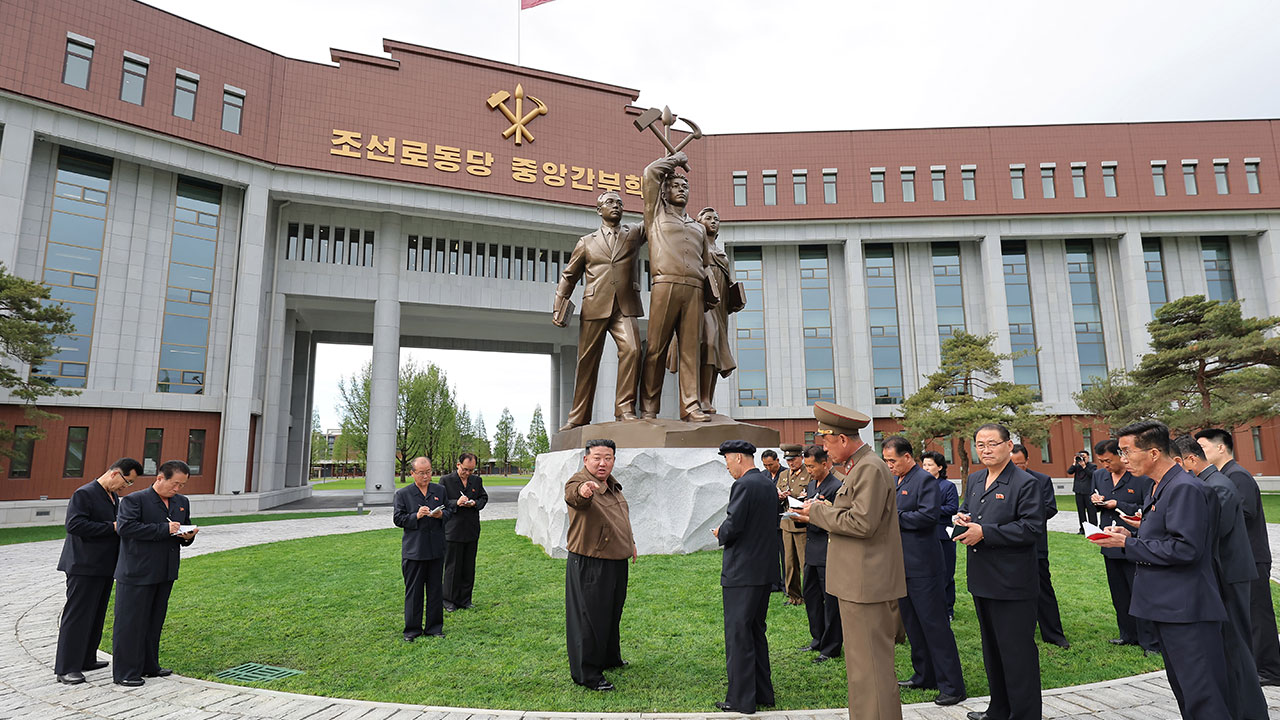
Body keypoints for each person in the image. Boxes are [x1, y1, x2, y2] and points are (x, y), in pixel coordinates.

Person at [1092, 421, 1229, 719]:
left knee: (1203, 695)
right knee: (1187, 692)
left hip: (1187, 609)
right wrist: (1132, 537)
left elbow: (1186, 549)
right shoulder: (1161, 486)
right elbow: (1166, 538)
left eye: (1127, 451)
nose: (1123, 459)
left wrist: (1127, 547)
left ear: (1153, 452)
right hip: (1169, 607)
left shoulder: (1183, 487)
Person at [798, 401, 905, 720]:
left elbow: (862, 523)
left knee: (872, 671)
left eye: (827, 442)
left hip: (867, 585)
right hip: (858, 583)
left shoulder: (869, 468)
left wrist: (816, 512)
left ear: (842, 440)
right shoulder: (861, 468)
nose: (825, 451)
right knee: (862, 670)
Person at [1172, 435, 1268, 720]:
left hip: (1231, 574)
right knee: (1229, 647)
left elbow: (1213, 534)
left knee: (1237, 647)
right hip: (1222, 573)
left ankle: (1252, 712)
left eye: (1178, 462)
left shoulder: (1219, 486)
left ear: (1190, 459)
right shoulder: (1209, 483)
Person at [954, 423, 1043, 720]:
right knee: (992, 651)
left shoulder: (1025, 482)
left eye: (992, 443)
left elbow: (1031, 528)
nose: (986, 449)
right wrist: (963, 519)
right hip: (982, 578)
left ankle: (1024, 714)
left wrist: (985, 532)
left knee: (1017, 654)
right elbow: (972, 512)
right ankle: (998, 709)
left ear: (1009, 445)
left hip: (1012, 582)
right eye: (980, 444)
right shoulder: (978, 479)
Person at [882, 436, 966, 706]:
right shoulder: (898, 480)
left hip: (924, 566)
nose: (889, 465)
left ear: (908, 457)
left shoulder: (924, 480)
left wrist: (893, 517)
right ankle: (924, 675)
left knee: (934, 626)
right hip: (902, 565)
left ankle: (952, 686)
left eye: (892, 460)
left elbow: (929, 517)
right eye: (886, 461)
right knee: (913, 624)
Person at [552, 190, 645, 430]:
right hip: (595, 305)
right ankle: (578, 416)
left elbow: (654, 216)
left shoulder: (633, 234)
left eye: (619, 203)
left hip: (624, 306)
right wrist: (558, 305)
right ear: (599, 210)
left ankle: (625, 409)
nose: (615, 206)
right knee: (587, 361)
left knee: (633, 351)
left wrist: (661, 180)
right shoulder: (587, 242)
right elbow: (569, 275)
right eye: (609, 202)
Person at [1196, 427, 1280, 685]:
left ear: (1220, 447)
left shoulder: (1237, 476)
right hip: (1239, 557)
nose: (1199, 453)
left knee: (1257, 615)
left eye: (1203, 448)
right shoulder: (1223, 476)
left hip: (1252, 557)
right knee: (1247, 614)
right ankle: (1257, 665)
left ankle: (1270, 670)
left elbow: (1243, 513)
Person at [639, 150, 716, 422]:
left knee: (690, 350)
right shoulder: (655, 215)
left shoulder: (698, 228)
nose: (681, 190)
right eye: (675, 186)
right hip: (665, 285)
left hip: (694, 289)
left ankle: (691, 406)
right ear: (664, 192)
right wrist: (676, 160)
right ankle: (649, 408)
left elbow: (706, 264)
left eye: (685, 187)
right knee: (656, 349)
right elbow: (650, 173)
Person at [54, 458, 142, 685]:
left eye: (131, 484)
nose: (127, 487)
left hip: (104, 566)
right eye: (127, 481)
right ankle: (66, 667)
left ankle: (86, 658)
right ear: (114, 474)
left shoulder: (113, 497)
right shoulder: (84, 494)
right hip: (83, 566)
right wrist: (112, 526)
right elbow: (74, 525)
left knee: (96, 614)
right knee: (78, 615)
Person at [111, 460, 198, 687]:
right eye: (175, 484)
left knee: (154, 621)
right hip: (137, 573)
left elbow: (183, 528)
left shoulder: (181, 502)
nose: (178, 489)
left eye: (182, 485)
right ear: (160, 478)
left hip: (165, 571)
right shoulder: (134, 500)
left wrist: (188, 536)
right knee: (131, 623)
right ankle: (125, 672)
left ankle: (150, 666)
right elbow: (126, 528)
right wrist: (163, 529)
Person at [564, 438, 637, 691]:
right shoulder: (579, 481)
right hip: (591, 562)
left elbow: (620, 519)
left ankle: (609, 658)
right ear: (586, 460)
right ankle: (588, 673)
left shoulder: (613, 485)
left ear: (614, 460)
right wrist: (584, 491)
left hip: (616, 560)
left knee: (611, 613)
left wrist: (631, 543)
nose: (602, 463)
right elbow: (575, 495)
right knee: (590, 618)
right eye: (597, 458)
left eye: (608, 458)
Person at [712, 440, 779, 714]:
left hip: (742, 573)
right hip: (764, 570)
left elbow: (735, 524)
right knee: (755, 632)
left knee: (739, 635)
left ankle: (740, 699)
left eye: (727, 461)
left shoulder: (743, 485)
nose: (727, 467)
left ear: (738, 458)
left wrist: (721, 532)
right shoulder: (767, 483)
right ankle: (763, 693)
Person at [1090, 439, 1158, 654]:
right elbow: (1100, 500)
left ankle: (1150, 642)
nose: (1105, 465)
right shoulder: (1099, 476)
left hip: (1134, 540)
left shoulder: (1140, 477)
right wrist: (1098, 500)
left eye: (1108, 460)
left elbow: (1146, 509)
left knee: (1141, 593)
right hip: (1109, 540)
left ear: (1120, 455)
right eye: (1101, 461)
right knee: (1119, 593)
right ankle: (1127, 634)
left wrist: (1117, 504)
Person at [1010, 444, 1069, 649]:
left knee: (1043, 589)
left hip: (1035, 544)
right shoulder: (1001, 480)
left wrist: (1028, 514)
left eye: (1020, 464)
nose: (1017, 468)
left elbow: (1051, 508)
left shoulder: (1041, 480)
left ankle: (1053, 634)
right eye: (1012, 464)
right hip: (1007, 544)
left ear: (1026, 461)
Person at [392, 456, 452, 641]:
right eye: (421, 473)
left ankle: (434, 628)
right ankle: (412, 630)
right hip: (414, 551)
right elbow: (398, 519)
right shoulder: (403, 494)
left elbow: (450, 511)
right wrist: (415, 516)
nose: (426, 476)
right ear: (412, 473)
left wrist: (441, 514)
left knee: (435, 591)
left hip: (436, 549)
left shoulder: (439, 490)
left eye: (428, 472)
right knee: (414, 592)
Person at [795, 444, 843, 663]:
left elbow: (837, 519)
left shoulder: (836, 486)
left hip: (829, 550)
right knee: (812, 596)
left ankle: (831, 646)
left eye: (812, 466)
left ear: (825, 463)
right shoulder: (813, 484)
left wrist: (810, 514)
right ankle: (817, 639)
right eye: (806, 466)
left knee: (830, 601)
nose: (809, 471)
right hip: (812, 550)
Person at [694, 207, 736, 413]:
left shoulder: (719, 249)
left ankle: (707, 399)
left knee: (716, 350)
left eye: (716, 219)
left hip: (721, 306)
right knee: (708, 343)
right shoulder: (695, 245)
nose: (713, 221)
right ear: (698, 222)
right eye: (708, 218)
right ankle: (700, 398)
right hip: (703, 303)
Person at [441, 452, 488, 612]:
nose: (468, 473)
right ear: (458, 465)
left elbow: (484, 498)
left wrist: (475, 503)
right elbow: (442, 501)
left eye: (471, 470)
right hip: (453, 530)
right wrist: (456, 502)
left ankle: (465, 599)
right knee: (453, 567)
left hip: (471, 529)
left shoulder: (477, 480)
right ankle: (449, 600)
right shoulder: (446, 481)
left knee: (469, 567)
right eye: (465, 469)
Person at [920, 450, 957, 619]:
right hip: (924, 534)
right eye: (924, 464)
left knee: (946, 573)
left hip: (943, 534)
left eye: (930, 465)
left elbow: (952, 508)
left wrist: (930, 511)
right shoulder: (920, 484)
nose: (926, 468)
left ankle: (948, 609)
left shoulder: (947, 486)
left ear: (939, 467)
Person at [776, 444, 809, 606]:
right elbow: (776, 494)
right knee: (789, 563)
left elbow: (811, 495)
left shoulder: (808, 473)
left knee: (804, 562)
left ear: (801, 458)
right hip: (786, 523)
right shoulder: (783, 475)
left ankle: (811, 594)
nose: (791, 463)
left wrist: (797, 496)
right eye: (788, 460)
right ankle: (794, 596)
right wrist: (781, 496)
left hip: (802, 524)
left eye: (794, 459)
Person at [761, 448, 786, 595]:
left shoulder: (786, 473)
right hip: (768, 521)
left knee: (785, 555)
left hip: (783, 519)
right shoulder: (762, 475)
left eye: (771, 464)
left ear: (777, 460)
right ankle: (773, 583)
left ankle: (785, 584)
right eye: (765, 465)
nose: (768, 468)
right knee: (770, 555)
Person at [1068, 448, 1098, 532]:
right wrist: (1074, 463)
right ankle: (1082, 529)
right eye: (1080, 456)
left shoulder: (1092, 466)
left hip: (1088, 492)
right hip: (1078, 491)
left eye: (1084, 456)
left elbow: (1092, 475)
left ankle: (1093, 528)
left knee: (1091, 511)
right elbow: (1069, 472)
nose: (1082, 458)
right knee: (1081, 511)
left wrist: (1084, 466)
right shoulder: (1076, 467)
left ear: (1088, 457)